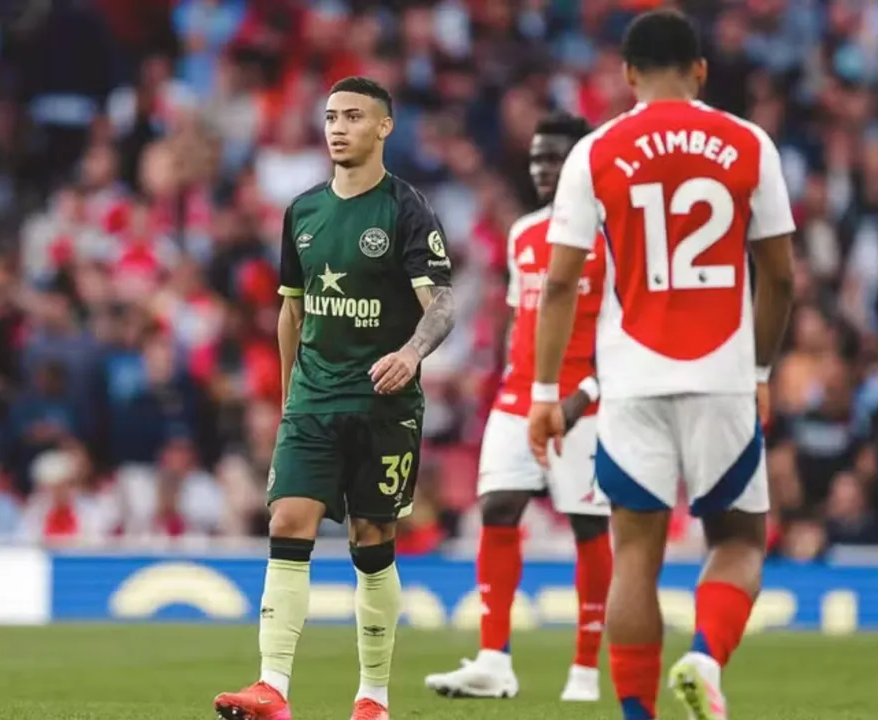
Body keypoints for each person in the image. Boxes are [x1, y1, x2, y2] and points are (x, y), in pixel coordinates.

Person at [527, 10, 796, 720]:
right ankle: (705, 658)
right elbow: (782, 277)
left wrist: (546, 393)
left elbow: (558, 283)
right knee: (739, 540)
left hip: (632, 378)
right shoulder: (749, 143)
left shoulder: (596, 152)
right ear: (702, 69)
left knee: (634, 554)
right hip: (723, 376)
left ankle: (638, 715)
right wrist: (761, 371)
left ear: (628, 74)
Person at [213, 76, 456, 720]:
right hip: (313, 402)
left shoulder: (406, 209)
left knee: (371, 543)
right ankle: (272, 688)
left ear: (384, 127)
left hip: (383, 406)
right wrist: (291, 396)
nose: (338, 127)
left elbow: (444, 305)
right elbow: (289, 315)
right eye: (330, 117)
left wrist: (410, 353)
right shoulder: (303, 211)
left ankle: (372, 697)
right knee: (287, 521)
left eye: (353, 116)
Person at [423, 111, 612, 702]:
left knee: (588, 523)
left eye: (556, 157)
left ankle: (583, 670)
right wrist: (512, 386)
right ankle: (493, 659)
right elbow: (520, 322)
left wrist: (583, 398)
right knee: (499, 508)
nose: (544, 169)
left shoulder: (615, 237)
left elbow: (627, 332)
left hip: (587, 401)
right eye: (536, 158)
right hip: (519, 395)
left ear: (582, 162)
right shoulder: (524, 233)